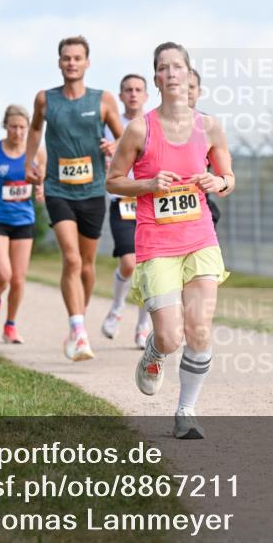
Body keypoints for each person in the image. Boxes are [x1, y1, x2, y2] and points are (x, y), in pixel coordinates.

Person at [106, 42, 235, 440]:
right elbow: (113, 181)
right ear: (157, 79)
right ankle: (155, 350)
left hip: (200, 239)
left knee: (200, 330)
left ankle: (186, 412)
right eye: (163, 67)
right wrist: (147, 184)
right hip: (157, 243)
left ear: (188, 74)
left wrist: (218, 181)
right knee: (170, 336)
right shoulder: (139, 129)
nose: (172, 73)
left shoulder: (209, 126)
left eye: (178, 66)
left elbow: (229, 178)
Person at [25, 35, 125, 361]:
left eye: (77, 58)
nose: (71, 63)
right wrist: (28, 161)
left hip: (93, 191)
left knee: (86, 265)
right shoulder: (45, 99)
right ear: (59, 62)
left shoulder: (103, 100)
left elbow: (126, 139)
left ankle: (77, 323)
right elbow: (35, 130)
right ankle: (79, 330)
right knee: (71, 259)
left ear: (87, 63)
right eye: (66, 58)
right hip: (58, 189)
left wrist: (114, 146)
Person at [0, 105, 45, 344]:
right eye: (13, 127)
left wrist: (41, 189)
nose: (18, 132)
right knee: (4, 274)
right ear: (5, 126)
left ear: (28, 128)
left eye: (22, 127)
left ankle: (10, 326)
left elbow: (43, 178)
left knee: (18, 279)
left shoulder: (37, 153)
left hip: (24, 220)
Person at [100, 73, 153, 348]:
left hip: (149, 202)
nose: (133, 94)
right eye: (128, 90)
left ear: (146, 95)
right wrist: (105, 152)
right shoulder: (109, 126)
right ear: (120, 96)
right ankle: (117, 307)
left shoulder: (153, 124)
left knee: (147, 268)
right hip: (121, 202)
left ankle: (143, 325)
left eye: (138, 89)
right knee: (129, 263)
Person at [188, 67, 221, 228]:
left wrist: (218, 181)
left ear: (199, 91)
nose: (187, 91)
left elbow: (225, 174)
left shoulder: (208, 124)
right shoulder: (153, 124)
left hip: (200, 203)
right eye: (183, 86)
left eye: (191, 87)